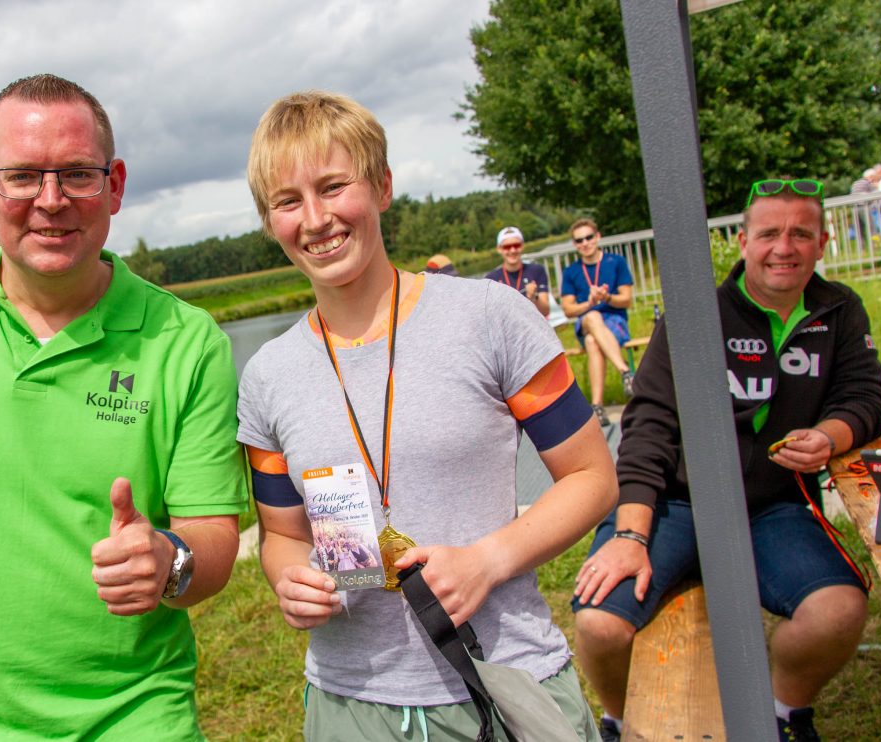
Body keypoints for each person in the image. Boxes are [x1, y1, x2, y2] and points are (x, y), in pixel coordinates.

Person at [0, 74, 248, 740]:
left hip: (132, 716)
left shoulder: (186, 342)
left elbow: (213, 537)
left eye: (78, 175)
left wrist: (168, 561)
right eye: (24, 176)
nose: (52, 201)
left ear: (115, 185)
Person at [240, 90, 617, 740]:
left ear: (382, 187)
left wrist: (487, 561)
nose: (316, 219)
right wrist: (292, 579)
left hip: (503, 682)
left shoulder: (491, 318)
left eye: (334, 187)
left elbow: (593, 478)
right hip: (349, 704)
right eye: (288, 201)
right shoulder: (267, 375)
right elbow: (282, 535)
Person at [570, 177, 881, 742]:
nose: (784, 247)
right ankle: (620, 718)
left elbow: (865, 397)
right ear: (743, 242)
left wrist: (830, 435)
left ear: (824, 242)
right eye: (769, 233)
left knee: (838, 610)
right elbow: (648, 426)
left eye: (801, 233)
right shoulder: (698, 313)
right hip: (675, 502)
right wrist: (632, 535)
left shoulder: (839, 309)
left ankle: (783, 712)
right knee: (597, 623)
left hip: (775, 505)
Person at [560, 219, 636, 426]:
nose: (585, 243)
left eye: (588, 237)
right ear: (575, 244)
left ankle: (597, 406)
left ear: (598, 237)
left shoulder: (616, 262)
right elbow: (568, 310)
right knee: (592, 318)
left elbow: (627, 299)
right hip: (586, 320)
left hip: (615, 319)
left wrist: (607, 298)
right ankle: (625, 372)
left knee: (593, 341)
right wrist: (590, 303)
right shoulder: (571, 272)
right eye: (579, 240)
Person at [486, 225, 550, 317]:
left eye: (516, 245)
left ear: (522, 246)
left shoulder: (537, 270)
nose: (512, 250)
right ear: (499, 249)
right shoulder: (491, 279)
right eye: (507, 247)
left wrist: (535, 297)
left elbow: (545, 311)